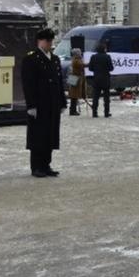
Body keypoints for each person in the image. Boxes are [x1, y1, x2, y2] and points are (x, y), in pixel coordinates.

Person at [21, 28, 67, 178]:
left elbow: (59, 82)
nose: (50, 44)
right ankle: (36, 166)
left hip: (52, 103)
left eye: (51, 41)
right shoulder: (31, 59)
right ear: (40, 41)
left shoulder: (54, 59)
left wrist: (62, 101)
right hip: (39, 104)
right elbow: (28, 84)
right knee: (38, 136)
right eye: (48, 41)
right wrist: (31, 105)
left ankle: (46, 164)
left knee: (51, 134)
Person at [88, 42, 114, 118]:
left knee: (95, 97)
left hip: (96, 79)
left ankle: (94, 113)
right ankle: (106, 112)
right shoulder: (107, 56)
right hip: (105, 79)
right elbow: (111, 68)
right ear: (104, 49)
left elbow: (90, 68)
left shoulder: (93, 57)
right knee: (106, 97)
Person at [67, 48, 86, 116]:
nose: (81, 53)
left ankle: (73, 110)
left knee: (73, 95)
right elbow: (82, 65)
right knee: (74, 95)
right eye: (79, 52)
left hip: (73, 77)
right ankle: (72, 111)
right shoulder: (76, 60)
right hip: (75, 78)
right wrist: (90, 63)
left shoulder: (76, 59)